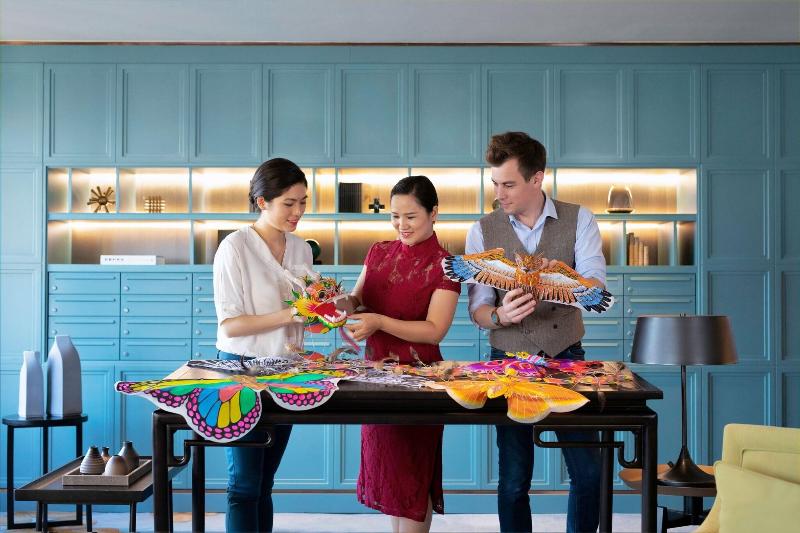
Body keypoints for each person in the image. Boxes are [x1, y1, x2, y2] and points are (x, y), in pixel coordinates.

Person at [466, 132, 606, 533]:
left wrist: (555, 280)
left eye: (508, 184)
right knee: (513, 481)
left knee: (589, 475)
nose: (499, 194)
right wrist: (500, 316)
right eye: (495, 183)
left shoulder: (580, 219)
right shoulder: (482, 230)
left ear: (537, 178)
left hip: (567, 356)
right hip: (506, 362)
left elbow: (596, 288)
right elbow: (478, 310)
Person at [334, 175, 461, 533]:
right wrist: (335, 302)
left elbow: (435, 330)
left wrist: (379, 322)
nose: (401, 225)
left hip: (419, 382)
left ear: (433, 213)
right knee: (392, 476)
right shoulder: (378, 251)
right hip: (375, 379)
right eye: (394, 216)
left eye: (411, 216)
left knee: (412, 477)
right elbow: (357, 299)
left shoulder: (446, 265)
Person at [212, 158, 312, 532]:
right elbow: (231, 325)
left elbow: (306, 317)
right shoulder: (234, 248)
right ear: (262, 202)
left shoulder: (302, 249)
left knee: (265, 481)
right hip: (241, 369)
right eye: (289, 203)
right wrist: (293, 314)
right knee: (243, 485)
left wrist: (322, 316)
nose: (298, 212)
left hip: (287, 372)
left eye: (303, 202)